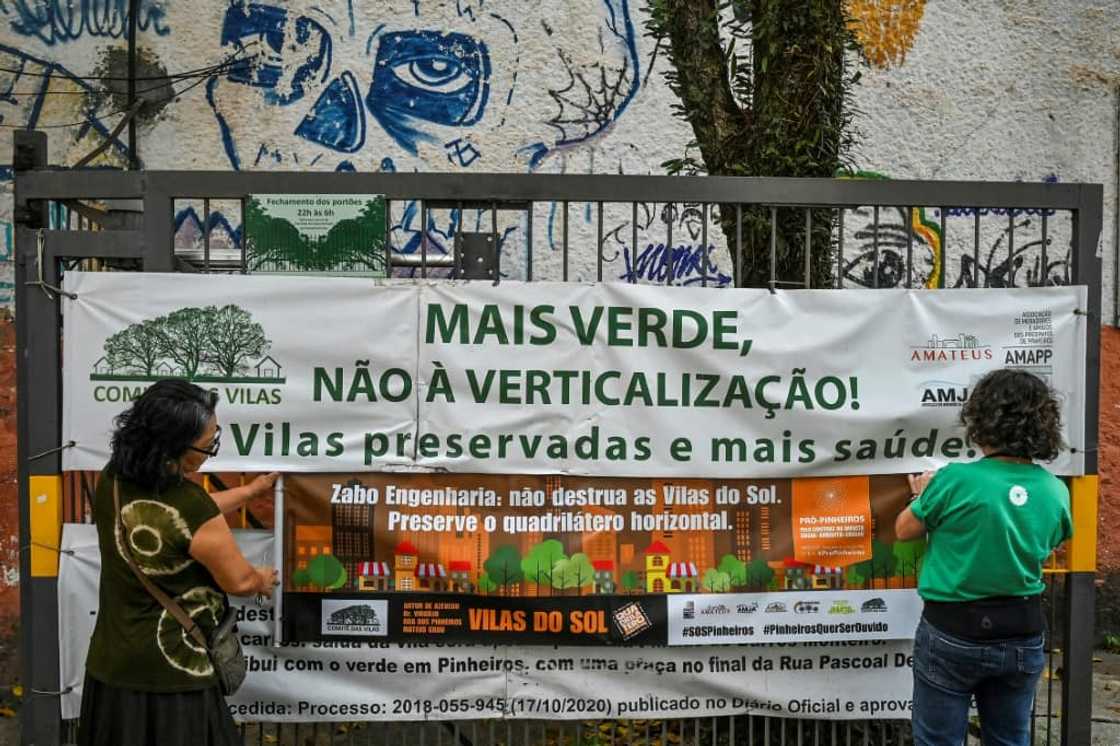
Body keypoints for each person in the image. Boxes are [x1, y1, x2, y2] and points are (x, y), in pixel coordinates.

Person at [78, 379, 280, 746]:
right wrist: (262, 579)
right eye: (207, 444)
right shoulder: (189, 506)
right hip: (175, 675)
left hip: (114, 666)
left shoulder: (113, 479)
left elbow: (176, 522)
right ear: (173, 450)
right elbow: (238, 581)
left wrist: (249, 492)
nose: (210, 451)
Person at [895, 368, 1073, 746]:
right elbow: (1051, 542)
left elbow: (904, 529)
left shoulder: (954, 479)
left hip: (951, 630)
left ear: (980, 420)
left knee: (938, 740)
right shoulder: (1056, 490)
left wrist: (919, 496)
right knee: (1010, 739)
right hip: (1022, 631)